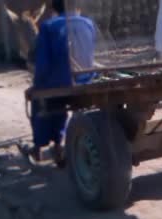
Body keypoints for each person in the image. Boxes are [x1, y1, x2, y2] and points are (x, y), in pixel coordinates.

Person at [25, 0, 95, 164]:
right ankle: (57, 144)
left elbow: (43, 65)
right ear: (77, 7)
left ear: (53, 9)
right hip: (86, 78)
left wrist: (36, 86)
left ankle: (40, 146)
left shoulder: (48, 27)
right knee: (58, 98)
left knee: (41, 101)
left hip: (60, 82)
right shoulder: (88, 23)